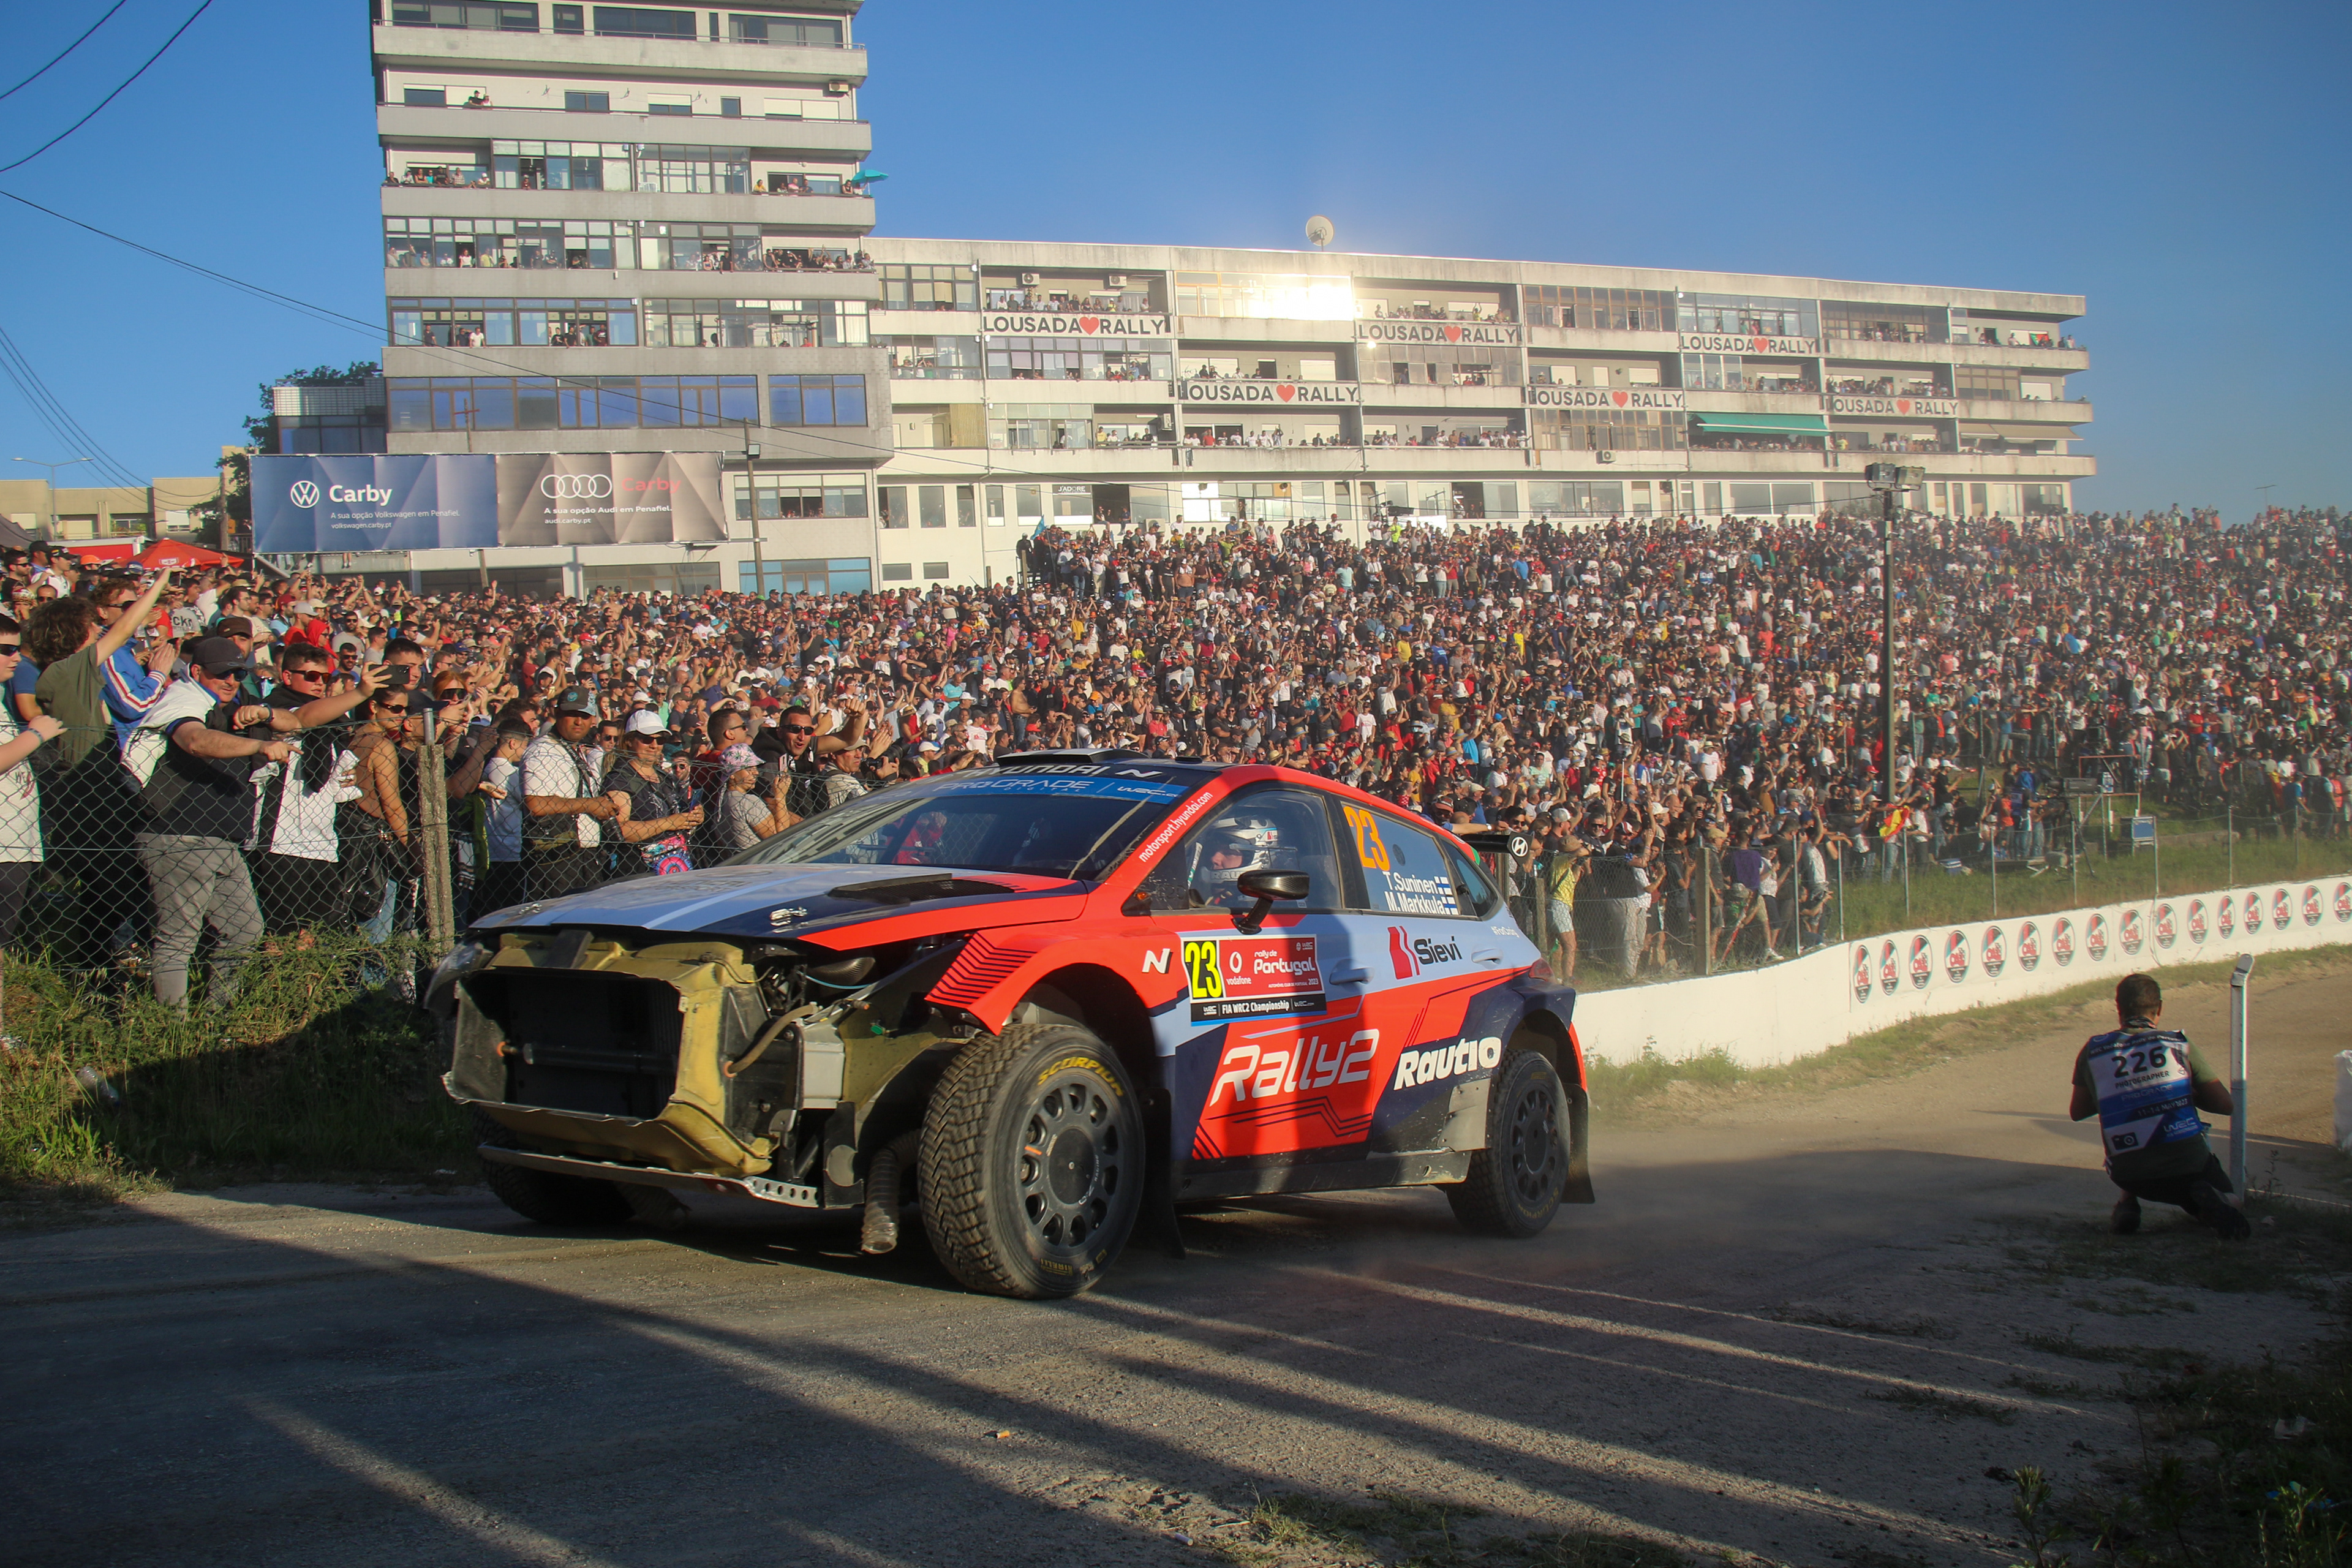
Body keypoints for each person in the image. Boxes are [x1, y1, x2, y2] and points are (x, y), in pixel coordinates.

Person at [121, 636, 293, 1008]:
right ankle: (175, 1035)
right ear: (197, 672)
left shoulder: (232, 700)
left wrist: (264, 715)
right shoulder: (184, 698)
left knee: (245, 930)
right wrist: (258, 745)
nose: (231, 680)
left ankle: (217, 1016)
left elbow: (299, 720)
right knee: (178, 938)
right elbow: (195, 741)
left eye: (237, 673)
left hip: (220, 840)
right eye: (222, 674)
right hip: (179, 835)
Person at [2068, 973, 2248, 1240]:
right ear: (2159, 1008)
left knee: (2131, 1131)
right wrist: (2184, 1090)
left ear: (2118, 1009)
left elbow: (2078, 1112)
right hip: (2188, 1166)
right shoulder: (2176, 1044)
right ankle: (2213, 1204)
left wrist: (2121, 1088)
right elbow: (2225, 1105)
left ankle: (2128, 1204)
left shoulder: (2094, 1051)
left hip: (2128, 1175)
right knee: (2232, 1201)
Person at [0, 614, 66, 944]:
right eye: (5, 649)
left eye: (17, 648)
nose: (17, 657)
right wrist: (35, 735)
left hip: (15, 842)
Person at [521, 686, 618, 899]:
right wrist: (589, 805)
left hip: (582, 857)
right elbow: (536, 804)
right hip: (557, 859)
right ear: (557, 714)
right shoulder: (543, 750)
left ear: (593, 719)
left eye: (584, 716)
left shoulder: (572, 748)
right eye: (571, 714)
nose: (578, 722)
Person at [603, 712, 704, 876]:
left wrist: (695, 816)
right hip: (639, 870)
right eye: (647, 739)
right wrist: (670, 823)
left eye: (660, 740)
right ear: (629, 741)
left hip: (677, 863)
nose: (654, 745)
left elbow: (678, 812)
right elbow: (621, 830)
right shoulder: (621, 779)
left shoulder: (664, 777)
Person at [475, 719, 532, 915]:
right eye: (525, 745)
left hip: (496, 849)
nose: (525, 751)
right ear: (513, 743)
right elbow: (529, 801)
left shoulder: (490, 768)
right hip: (511, 850)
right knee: (510, 908)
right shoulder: (508, 773)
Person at [708, 742, 793, 855]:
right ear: (732, 774)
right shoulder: (747, 802)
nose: (756, 773)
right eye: (749, 769)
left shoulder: (722, 802)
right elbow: (779, 839)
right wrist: (781, 796)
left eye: (755, 768)